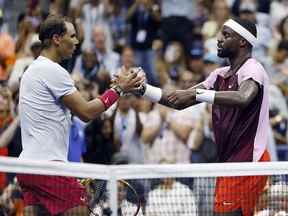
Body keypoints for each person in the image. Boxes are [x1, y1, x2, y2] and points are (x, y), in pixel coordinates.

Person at [135, 18, 271, 216]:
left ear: (242, 42)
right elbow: (178, 101)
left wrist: (198, 94)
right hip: (229, 163)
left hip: (249, 160)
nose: (219, 39)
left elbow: (243, 97)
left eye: (226, 35)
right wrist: (142, 89)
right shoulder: (219, 75)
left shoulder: (253, 68)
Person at [16, 15, 143, 216]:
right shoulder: (53, 71)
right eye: (73, 36)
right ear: (57, 39)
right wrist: (119, 89)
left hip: (26, 169)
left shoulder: (33, 70)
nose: (77, 42)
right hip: (48, 168)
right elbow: (86, 112)